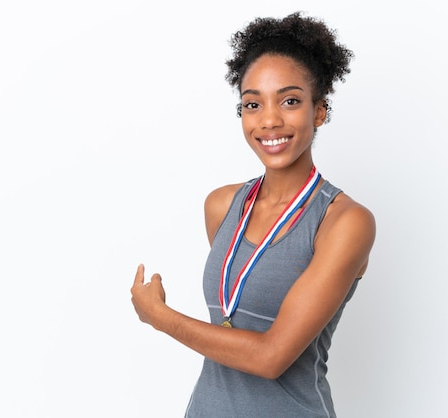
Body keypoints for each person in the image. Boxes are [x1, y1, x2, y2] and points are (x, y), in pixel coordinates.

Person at [131, 11, 376, 418]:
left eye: (290, 100)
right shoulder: (222, 206)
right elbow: (234, 310)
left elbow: (271, 357)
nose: (269, 120)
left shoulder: (344, 222)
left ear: (319, 111)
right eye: (252, 104)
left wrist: (160, 316)